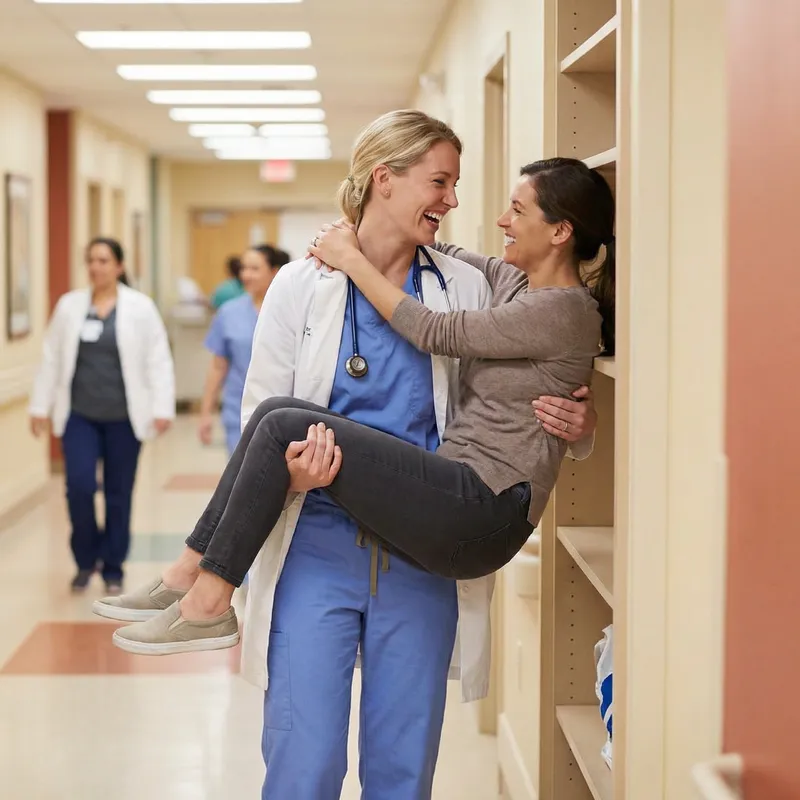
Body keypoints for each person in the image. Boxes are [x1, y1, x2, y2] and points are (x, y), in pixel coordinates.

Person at [94, 112, 597, 799]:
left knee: (400, 772)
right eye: (440, 181)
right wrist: (292, 476)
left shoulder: (464, 286)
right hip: (317, 547)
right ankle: (202, 584)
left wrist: (581, 419)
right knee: (304, 766)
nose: (453, 200)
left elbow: (529, 384)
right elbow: (260, 415)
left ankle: (196, 584)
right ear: (383, 181)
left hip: (419, 561)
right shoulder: (302, 285)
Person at [29, 237, 175, 595]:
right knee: (78, 487)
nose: (96, 267)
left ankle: (112, 566)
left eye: (104, 260)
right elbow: (51, 357)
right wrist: (39, 405)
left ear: (119, 267)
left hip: (125, 417)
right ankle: (84, 560)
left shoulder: (141, 308)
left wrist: (162, 407)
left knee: (118, 493)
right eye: (91, 260)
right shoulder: (70, 307)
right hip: (79, 416)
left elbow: (158, 358)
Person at [199, 245, 290, 455]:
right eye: (244, 268)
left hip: (283, 410)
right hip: (237, 411)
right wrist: (206, 413)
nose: (246, 275)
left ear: (275, 271)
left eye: (254, 269)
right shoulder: (229, 313)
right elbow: (218, 367)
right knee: (241, 480)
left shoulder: (290, 311)